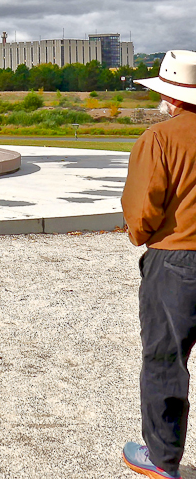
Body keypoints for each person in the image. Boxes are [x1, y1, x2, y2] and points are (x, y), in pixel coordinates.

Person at [121, 49, 196, 478]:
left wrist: (140, 235)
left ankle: (162, 459)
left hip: (176, 262)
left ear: (170, 97)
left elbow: (141, 211)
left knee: (166, 359)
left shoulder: (161, 138)